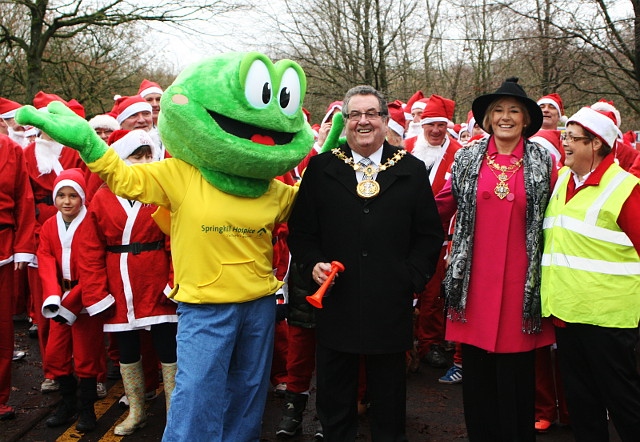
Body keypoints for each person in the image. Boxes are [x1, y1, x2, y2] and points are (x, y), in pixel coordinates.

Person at [288, 84, 443, 441]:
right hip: (336, 301)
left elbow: (428, 237)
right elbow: (303, 233)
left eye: (371, 113)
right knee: (334, 394)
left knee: (389, 398)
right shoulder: (322, 168)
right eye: (354, 114)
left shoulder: (411, 169)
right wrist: (313, 265)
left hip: (390, 301)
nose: (363, 121)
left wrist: (409, 279)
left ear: (385, 121)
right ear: (345, 123)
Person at [435, 77, 556, 441]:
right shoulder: (466, 157)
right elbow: (441, 203)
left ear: (525, 120)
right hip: (474, 285)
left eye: (514, 111)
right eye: (498, 111)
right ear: (487, 119)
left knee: (518, 379)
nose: (506, 117)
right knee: (479, 381)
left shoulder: (543, 161)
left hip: (522, 286)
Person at [540, 106, 640, 442]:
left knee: (625, 403)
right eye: (564, 135)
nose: (563, 142)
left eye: (571, 138)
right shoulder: (563, 179)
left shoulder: (625, 188)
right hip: (568, 314)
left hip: (609, 321)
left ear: (595, 144)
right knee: (583, 405)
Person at [78, 129, 177, 436]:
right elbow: (90, 248)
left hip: (156, 279)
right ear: (121, 159)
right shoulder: (102, 197)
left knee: (169, 348)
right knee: (127, 349)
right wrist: (97, 293)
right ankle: (137, 410)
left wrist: (175, 281)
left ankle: (176, 413)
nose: (146, 161)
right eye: (138, 156)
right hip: (119, 283)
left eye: (149, 155)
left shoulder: (162, 192)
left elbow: (177, 240)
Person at [37, 168, 105, 432]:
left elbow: (94, 267)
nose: (67, 201)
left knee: (87, 356)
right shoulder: (49, 225)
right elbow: (45, 260)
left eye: (73, 196)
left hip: (85, 299)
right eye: (61, 195)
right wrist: (54, 296)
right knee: (55, 354)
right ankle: (68, 402)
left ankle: (86, 408)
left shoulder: (91, 223)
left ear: (83, 198)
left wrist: (73, 301)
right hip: (59, 299)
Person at [404, 94, 462, 369]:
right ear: (422, 125)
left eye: (441, 125)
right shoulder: (407, 149)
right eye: (430, 125)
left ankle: (430, 343)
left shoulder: (458, 154)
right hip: (404, 234)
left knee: (434, 293)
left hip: (441, 236)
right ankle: (405, 345)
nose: (436, 131)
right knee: (405, 289)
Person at [0, 134, 36, 420]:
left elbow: (24, 199)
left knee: (2, 327)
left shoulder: (11, 149)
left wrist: (23, 248)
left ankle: (0, 397)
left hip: (3, 249)